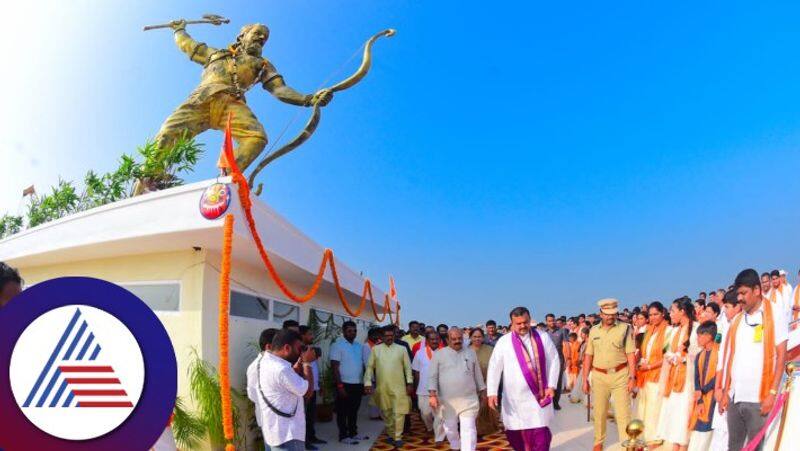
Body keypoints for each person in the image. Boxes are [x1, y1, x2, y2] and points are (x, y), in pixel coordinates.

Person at [718, 269, 788, 451]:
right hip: (736, 396)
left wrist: (773, 392)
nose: (739, 298)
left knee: (755, 447)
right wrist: (726, 391)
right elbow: (730, 358)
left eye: (743, 293)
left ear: (757, 290)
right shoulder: (737, 321)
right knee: (733, 446)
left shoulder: (775, 313)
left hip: (759, 397)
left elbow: (782, 355)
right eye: (738, 294)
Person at [487, 307, 560, 451]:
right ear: (511, 323)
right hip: (515, 399)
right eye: (518, 323)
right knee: (516, 436)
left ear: (530, 319)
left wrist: (551, 385)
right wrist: (492, 392)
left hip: (538, 398)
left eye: (525, 322)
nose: (522, 326)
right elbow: (494, 367)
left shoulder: (542, 337)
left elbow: (554, 360)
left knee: (541, 436)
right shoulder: (504, 342)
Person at [582, 298, 636, 451]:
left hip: (620, 375)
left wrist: (632, 377)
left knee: (623, 413)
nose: (610, 317)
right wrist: (585, 379)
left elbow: (631, 354)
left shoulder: (626, 328)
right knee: (599, 412)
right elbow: (588, 356)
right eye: (607, 314)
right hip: (599, 376)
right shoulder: (593, 331)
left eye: (613, 314)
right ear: (601, 313)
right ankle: (598, 442)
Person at [258, 329, 317, 451]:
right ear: (287, 348)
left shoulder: (266, 361)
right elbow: (307, 392)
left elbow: (283, 382)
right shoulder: (281, 369)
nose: (301, 352)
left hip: (274, 430)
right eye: (299, 349)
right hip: (288, 435)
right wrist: (307, 363)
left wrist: (296, 366)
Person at [429, 328, 486, 450]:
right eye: (454, 339)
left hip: (468, 399)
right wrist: (432, 395)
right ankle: (455, 445)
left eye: (460, 338)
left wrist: (482, 390)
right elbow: (432, 376)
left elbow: (477, 374)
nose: (457, 341)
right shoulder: (439, 354)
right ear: (447, 340)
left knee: (469, 429)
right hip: (447, 401)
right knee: (450, 429)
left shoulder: (470, 352)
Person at [657, 297, 699, 451]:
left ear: (682, 311)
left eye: (673, 311)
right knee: (675, 418)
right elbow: (666, 350)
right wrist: (671, 356)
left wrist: (683, 358)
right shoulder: (675, 330)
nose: (670, 314)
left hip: (687, 381)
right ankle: (676, 446)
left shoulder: (696, 328)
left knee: (683, 417)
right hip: (674, 379)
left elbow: (698, 354)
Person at [364, 325, 413, 448]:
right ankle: (391, 434)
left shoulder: (401, 349)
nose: (389, 338)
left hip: (399, 387)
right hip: (382, 387)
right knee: (386, 412)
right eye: (386, 336)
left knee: (399, 412)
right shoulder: (376, 349)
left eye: (391, 335)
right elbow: (370, 367)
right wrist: (368, 383)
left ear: (394, 336)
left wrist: (410, 383)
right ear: (382, 337)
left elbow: (408, 368)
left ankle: (398, 437)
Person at [635, 302, 668, 446]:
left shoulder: (668, 330)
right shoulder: (649, 329)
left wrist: (649, 366)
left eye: (656, 314)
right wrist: (642, 363)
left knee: (654, 406)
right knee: (644, 405)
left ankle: (654, 437)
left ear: (663, 314)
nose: (653, 317)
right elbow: (644, 350)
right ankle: (643, 434)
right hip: (645, 373)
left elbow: (666, 356)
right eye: (651, 315)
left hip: (657, 373)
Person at [330, 320, 368, 445]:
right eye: (349, 331)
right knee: (342, 411)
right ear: (344, 332)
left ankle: (353, 433)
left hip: (357, 383)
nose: (353, 333)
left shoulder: (359, 346)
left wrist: (364, 382)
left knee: (354, 410)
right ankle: (343, 435)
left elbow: (362, 365)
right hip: (344, 384)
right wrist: (339, 386)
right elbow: (334, 367)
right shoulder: (338, 345)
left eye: (354, 331)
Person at [687, 321, 719, 451]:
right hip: (701, 399)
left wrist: (703, 391)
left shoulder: (720, 352)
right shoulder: (700, 355)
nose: (697, 338)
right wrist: (699, 397)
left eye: (700, 335)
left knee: (709, 432)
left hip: (713, 399)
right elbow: (697, 380)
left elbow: (718, 376)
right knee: (698, 432)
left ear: (709, 336)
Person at [411, 330, 445, 443]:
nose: (434, 341)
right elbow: (416, 372)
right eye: (432, 339)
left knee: (439, 415)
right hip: (423, 389)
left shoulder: (445, 353)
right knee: (425, 413)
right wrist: (415, 387)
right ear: (427, 340)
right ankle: (430, 427)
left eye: (437, 339)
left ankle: (439, 436)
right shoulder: (419, 353)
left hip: (441, 390)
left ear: (440, 340)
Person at [468, 327, 500, 437]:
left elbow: (495, 367)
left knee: (485, 406)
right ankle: (472, 429)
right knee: (471, 408)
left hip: (487, 382)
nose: (477, 339)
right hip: (469, 384)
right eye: (475, 337)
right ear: (470, 338)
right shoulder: (465, 350)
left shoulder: (490, 349)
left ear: (483, 337)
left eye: (479, 336)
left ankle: (484, 429)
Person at [248, 328, 279, 438]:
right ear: (269, 347)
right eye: (280, 344)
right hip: (269, 418)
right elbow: (253, 394)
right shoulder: (256, 367)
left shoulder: (275, 364)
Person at [297, 326, 325, 450]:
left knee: (311, 416)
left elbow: (314, 368)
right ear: (302, 336)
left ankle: (312, 437)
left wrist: (320, 384)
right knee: (305, 417)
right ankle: (305, 442)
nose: (312, 336)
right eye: (309, 334)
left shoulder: (310, 349)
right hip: (304, 389)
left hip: (313, 388)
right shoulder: (299, 350)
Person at [545, 313, 568, 410]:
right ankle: (548, 402)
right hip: (547, 360)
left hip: (559, 359)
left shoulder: (562, 331)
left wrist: (567, 360)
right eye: (549, 321)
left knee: (557, 381)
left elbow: (566, 346)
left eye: (553, 320)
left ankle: (555, 402)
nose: (552, 322)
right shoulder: (544, 333)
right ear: (546, 322)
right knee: (547, 381)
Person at [362, 327, 383, 420]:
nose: (377, 337)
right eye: (375, 335)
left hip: (379, 374)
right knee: (373, 396)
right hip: (372, 375)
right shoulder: (366, 346)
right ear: (370, 336)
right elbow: (367, 363)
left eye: (378, 335)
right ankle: (374, 415)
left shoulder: (377, 345)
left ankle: (379, 414)